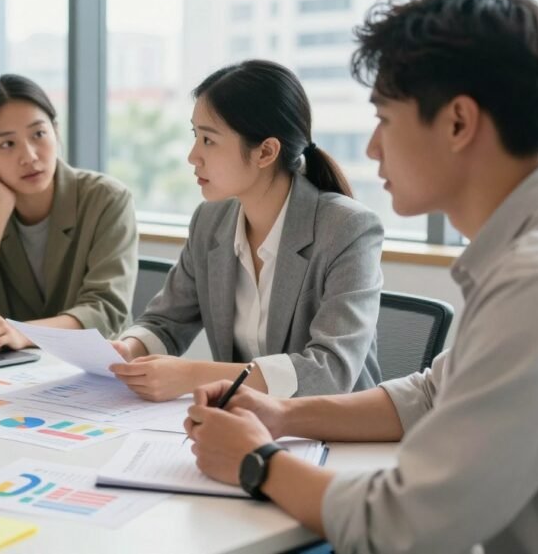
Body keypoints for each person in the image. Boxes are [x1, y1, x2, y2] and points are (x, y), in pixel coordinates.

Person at [184, 0, 538, 553]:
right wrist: (281, 413)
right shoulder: (526, 254)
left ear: (458, 122)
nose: (372, 149)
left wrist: (256, 462)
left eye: (385, 118)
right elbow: (433, 393)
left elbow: (405, 524)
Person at [109, 60, 384, 402]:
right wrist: (129, 349)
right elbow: (166, 322)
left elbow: (329, 370)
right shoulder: (210, 221)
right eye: (196, 135)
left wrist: (192, 375)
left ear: (266, 152)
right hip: (247, 423)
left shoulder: (346, 229)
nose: (193, 156)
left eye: (209, 140)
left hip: (333, 434)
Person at [0, 74, 137, 353]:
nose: (29, 156)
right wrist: (1, 207)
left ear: (56, 130)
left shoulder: (106, 199)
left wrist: (23, 332)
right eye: (7, 144)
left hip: (93, 367)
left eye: (39, 134)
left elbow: (105, 310)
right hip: (9, 375)